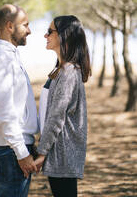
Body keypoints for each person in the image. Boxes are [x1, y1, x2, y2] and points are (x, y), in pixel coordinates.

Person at [0, 4, 39, 197]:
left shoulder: (9, 55)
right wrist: (21, 152)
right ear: (10, 26)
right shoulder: (0, 59)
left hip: (15, 145)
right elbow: (5, 112)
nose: (29, 31)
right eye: (25, 25)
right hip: (12, 148)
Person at [35, 15, 91, 197]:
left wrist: (42, 153)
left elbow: (56, 116)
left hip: (63, 153)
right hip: (58, 151)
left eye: (50, 31)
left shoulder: (68, 73)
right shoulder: (60, 69)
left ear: (64, 35)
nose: (45, 35)